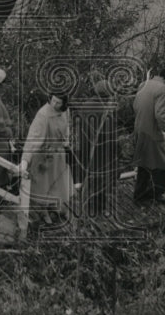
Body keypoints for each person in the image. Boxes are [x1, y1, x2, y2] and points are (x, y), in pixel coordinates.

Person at [132, 64, 165, 205]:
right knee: (163, 163)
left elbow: (136, 105)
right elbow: (159, 115)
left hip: (139, 128)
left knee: (144, 163)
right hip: (151, 132)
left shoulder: (144, 84)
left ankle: (140, 195)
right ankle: (157, 194)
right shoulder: (163, 89)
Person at [20, 93, 74, 224]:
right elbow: (33, 138)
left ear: (64, 104)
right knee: (43, 186)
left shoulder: (65, 111)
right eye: (53, 101)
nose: (54, 105)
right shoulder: (43, 114)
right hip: (44, 156)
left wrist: (66, 139)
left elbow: (67, 126)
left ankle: (55, 207)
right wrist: (25, 159)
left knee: (58, 183)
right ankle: (43, 212)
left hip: (58, 153)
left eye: (58, 102)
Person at [78, 78, 119, 216]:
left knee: (88, 173)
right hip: (101, 148)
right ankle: (97, 208)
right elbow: (110, 133)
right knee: (101, 177)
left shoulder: (86, 105)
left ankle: (87, 202)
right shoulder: (106, 110)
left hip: (85, 144)